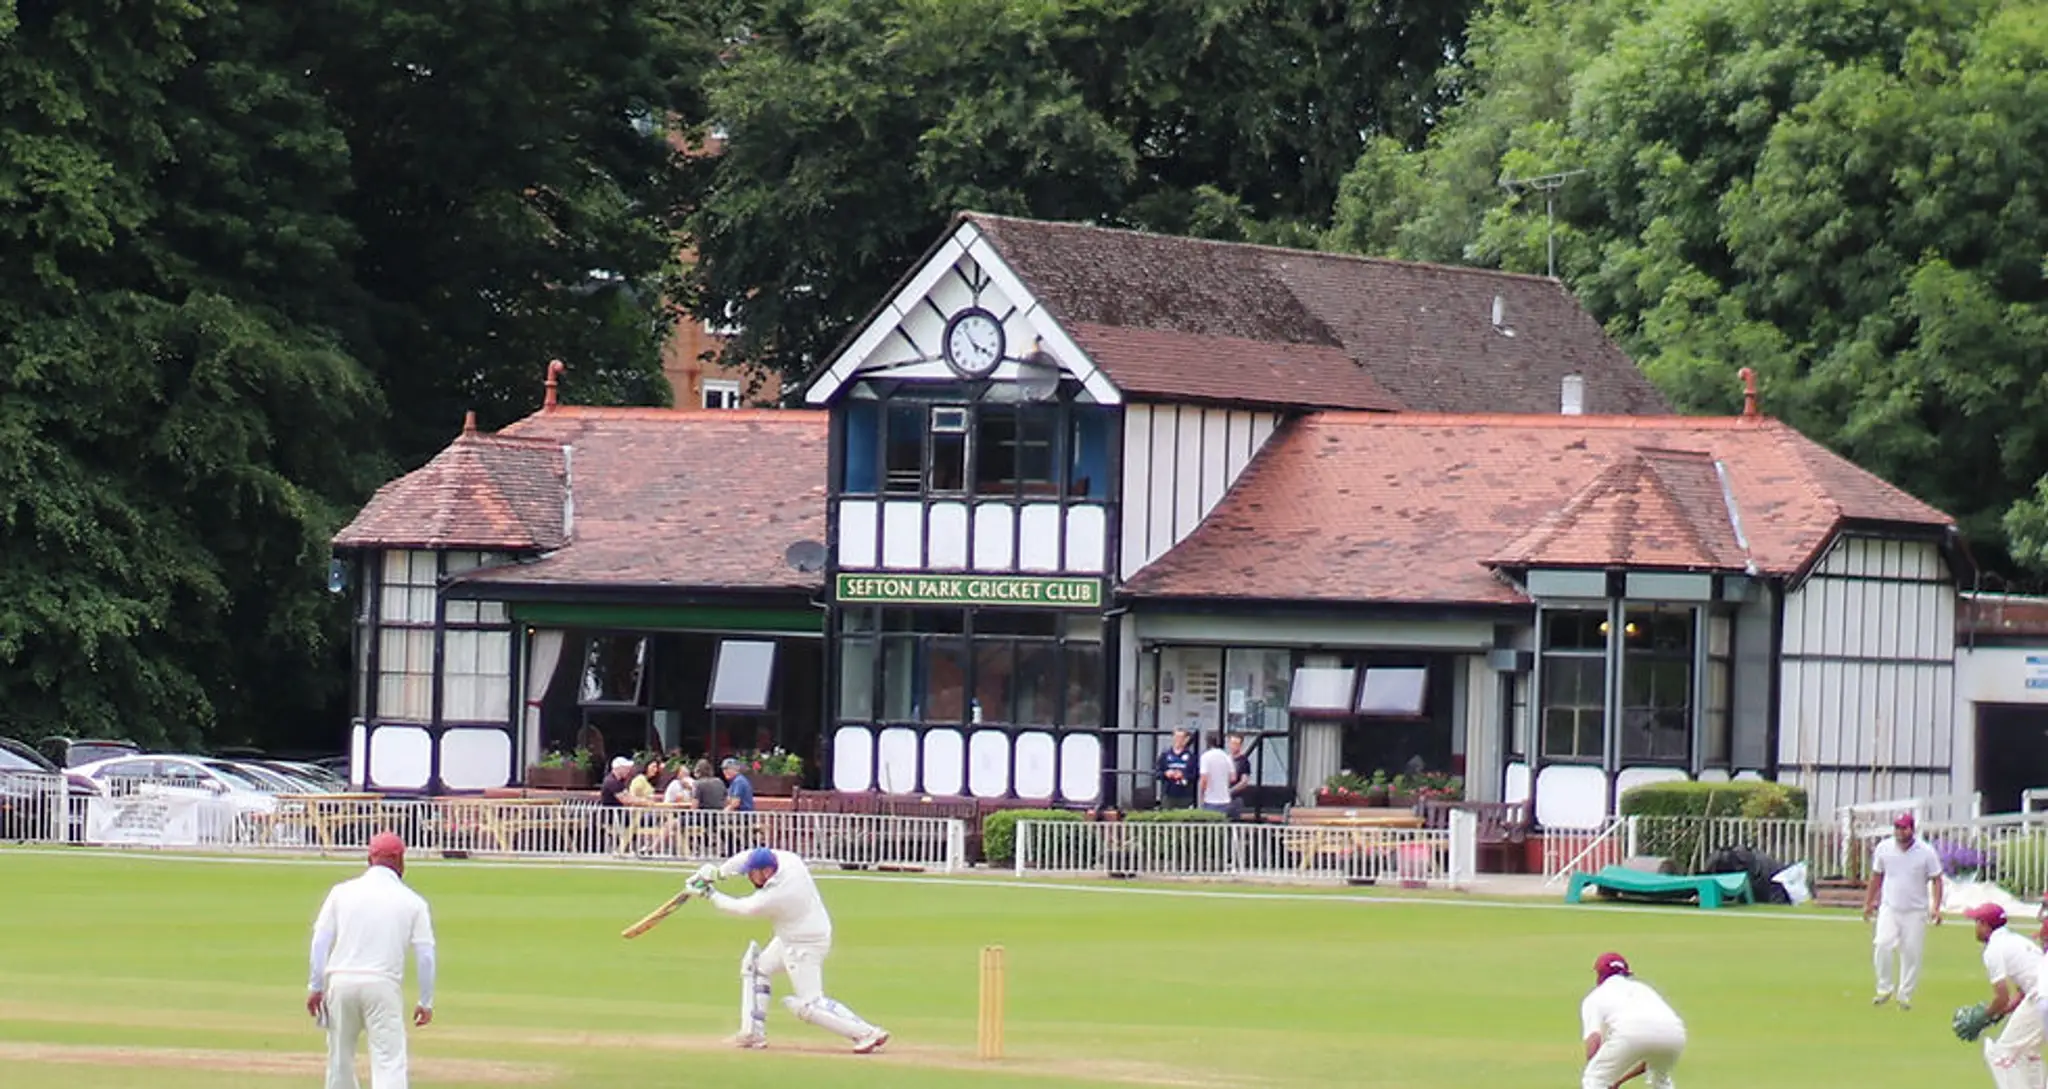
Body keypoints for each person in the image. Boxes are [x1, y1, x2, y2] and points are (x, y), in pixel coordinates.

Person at [685, 846, 890, 1054]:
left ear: (766, 872)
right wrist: (719, 873)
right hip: (794, 936)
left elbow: (743, 908)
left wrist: (709, 893)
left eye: (752, 873)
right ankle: (752, 1033)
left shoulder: (779, 893)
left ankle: (866, 1033)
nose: (748, 876)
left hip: (803, 945)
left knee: (810, 1004)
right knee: (757, 969)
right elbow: (748, 856)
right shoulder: (788, 860)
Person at [306, 832, 436, 1089]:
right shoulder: (413, 902)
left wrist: (315, 986)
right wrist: (425, 1000)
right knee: (388, 1062)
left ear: (369, 858)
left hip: (340, 982)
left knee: (339, 1060)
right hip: (382, 985)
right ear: (401, 861)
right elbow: (426, 956)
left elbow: (320, 942)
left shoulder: (341, 892)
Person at [1864, 811, 1945, 1009]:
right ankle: (1884, 988)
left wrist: (1936, 907)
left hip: (1915, 911)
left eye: (1904, 828)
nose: (1900, 832)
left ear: (1912, 829)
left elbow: (1937, 879)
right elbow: (1876, 876)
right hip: (1890, 907)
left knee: (1911, 953)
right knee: (1882, 944)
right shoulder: (1884, 848)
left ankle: (1905, 995)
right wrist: (1868, 903)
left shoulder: (1925, 852)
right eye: (1897, 827)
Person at [1966, 902, 2046, 1089]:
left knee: (2001, 1052)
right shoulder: (2017, 940)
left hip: (2041, 995)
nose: (1975, 927)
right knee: (2028, 1050)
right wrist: (2001, 1012)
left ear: (1986, 926)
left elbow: (2001, 996)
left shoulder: (1993, 950)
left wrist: (1986, 1015)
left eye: (1977, 922)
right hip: (2038, 993)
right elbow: (2021, 991)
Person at [1579, 952, 1686, 1089]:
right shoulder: (1644, 989)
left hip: (1630, 1033)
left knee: (1594, 1078)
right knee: (1660, 1080)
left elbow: (1594, 1042)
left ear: (1599, 974)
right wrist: (1618, 1081)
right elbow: (1650, 1047)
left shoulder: (1595, 997)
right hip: (1675, 1034)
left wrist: (1602, 1072)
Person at [1154, 728, 1196, 808]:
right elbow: (1157, 773)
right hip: (1168, 794)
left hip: (1185, 795)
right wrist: (1166, 774)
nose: (1178, 740)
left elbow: (1195, 775)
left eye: (1181, 738)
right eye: (1176, 737)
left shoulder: (1191, 756)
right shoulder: (1165, 755)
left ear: (1186, 739)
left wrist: (1183, 775)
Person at [1197, 731, 1234, 816]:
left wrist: (1201, 795)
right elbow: (1233, 777)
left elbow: (1204, 779)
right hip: (1225, 799)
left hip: (1210, 799)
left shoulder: (1205, 757)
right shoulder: (1226, 757)